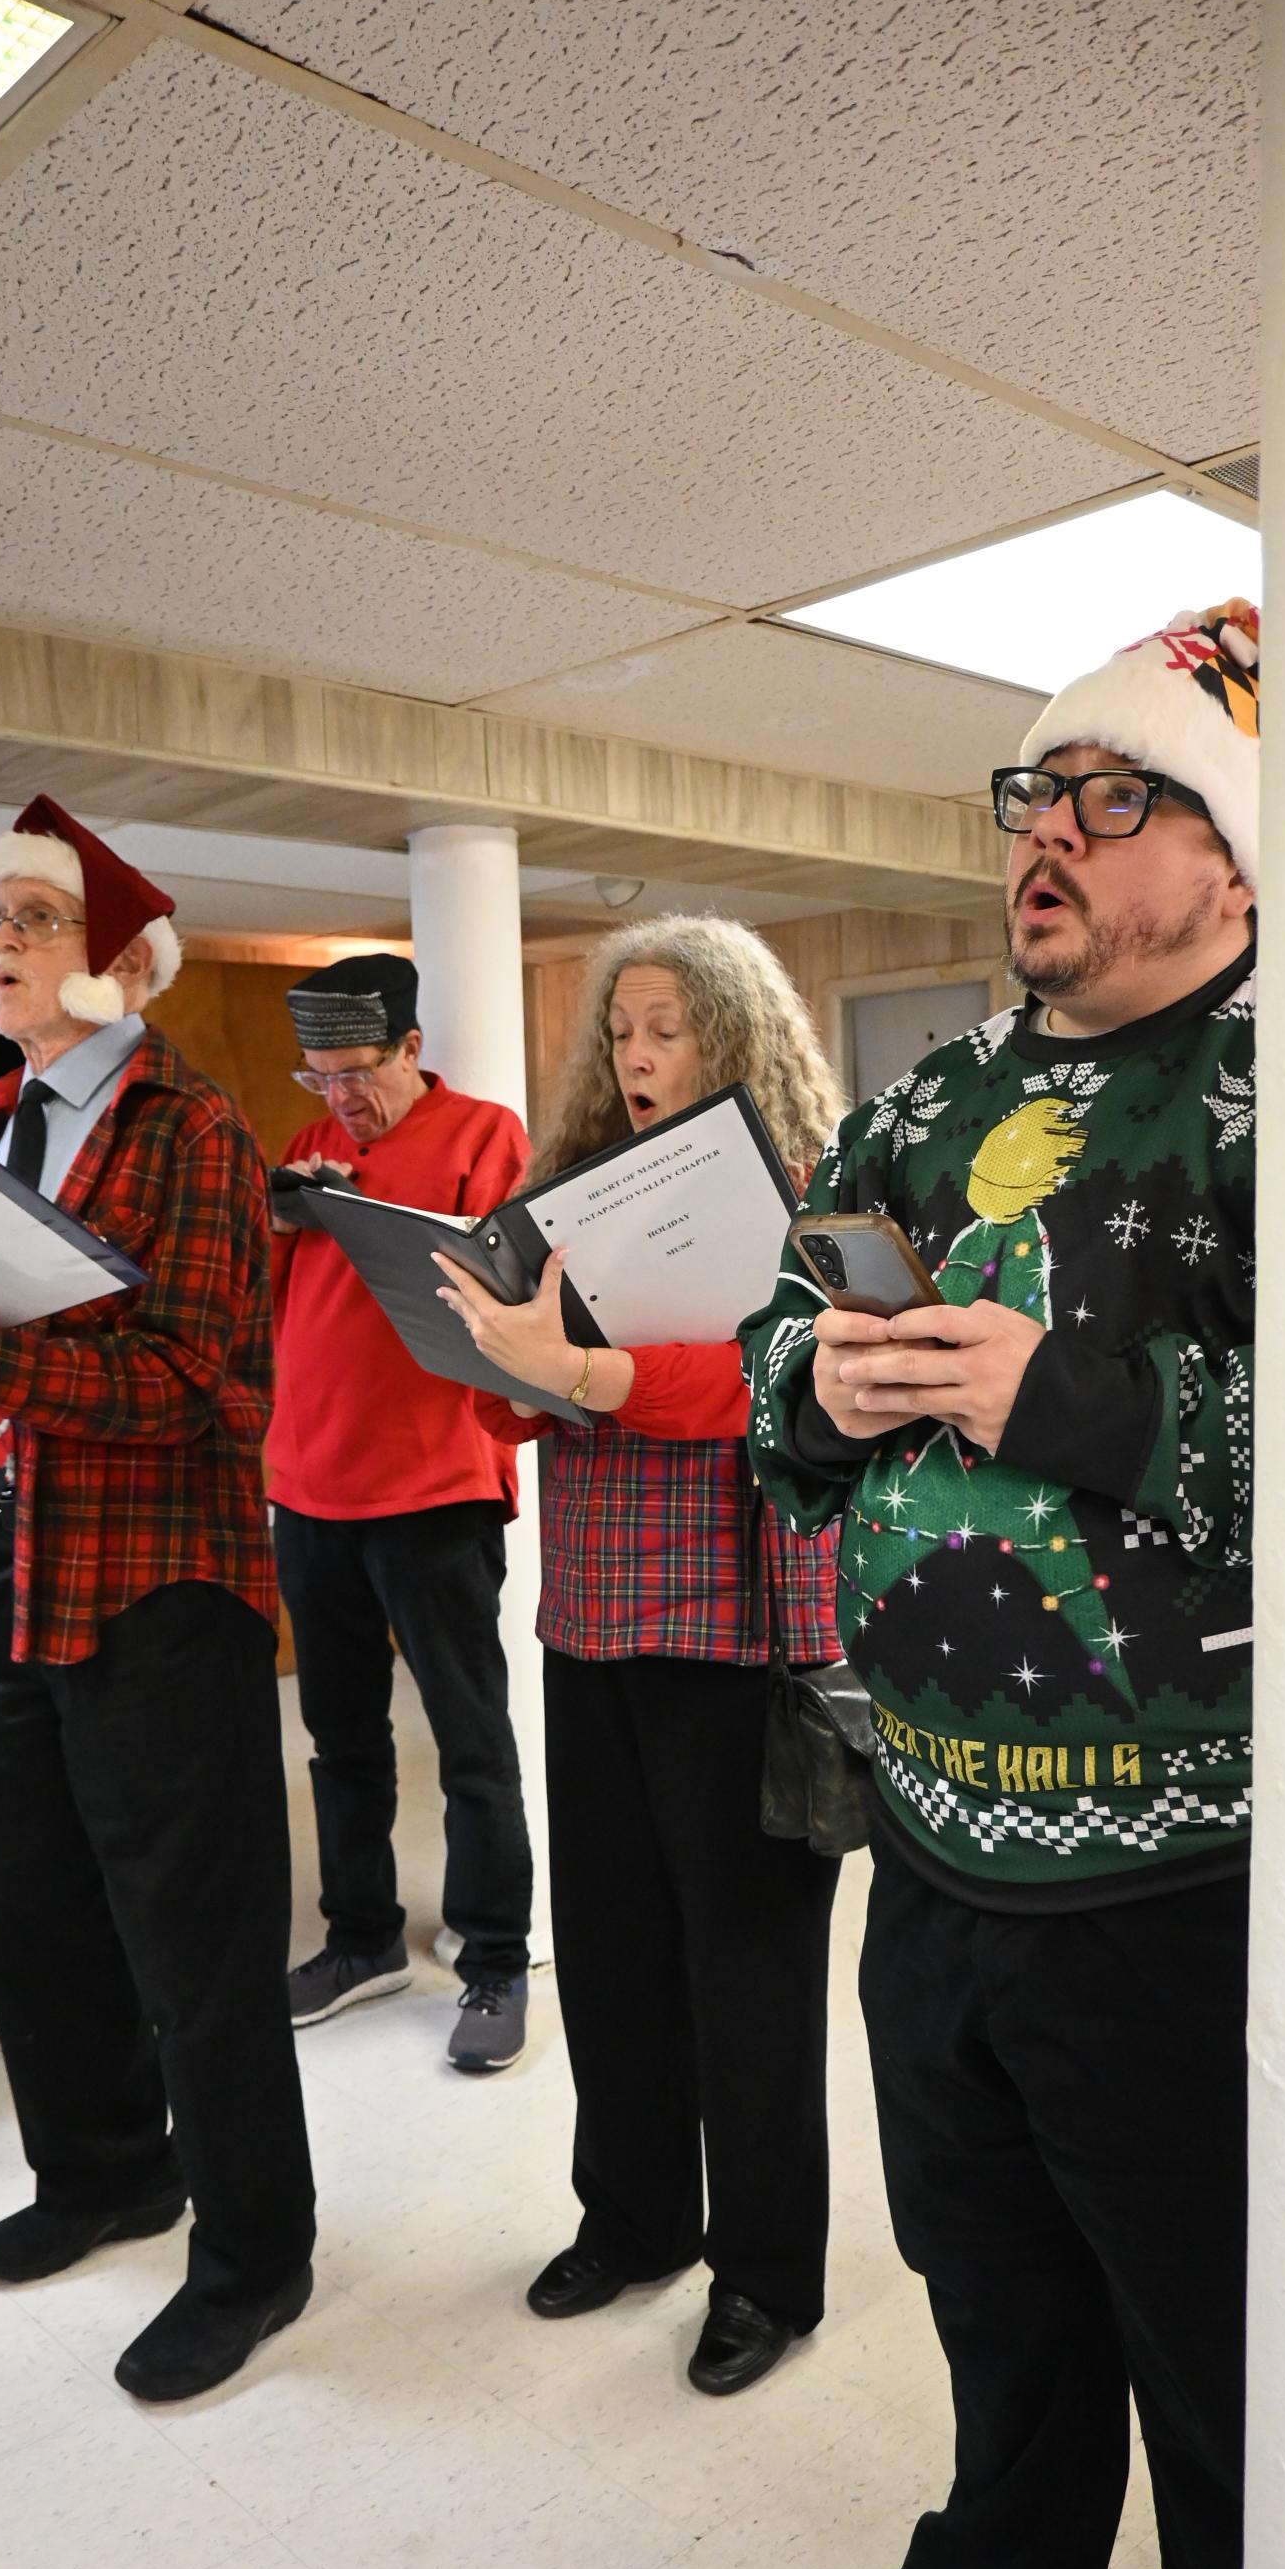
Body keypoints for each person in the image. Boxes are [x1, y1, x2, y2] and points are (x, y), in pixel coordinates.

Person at [743, 605, 1260, 2569]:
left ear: (1229, 855)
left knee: (1223, 2360)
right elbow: (771, 1343)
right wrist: (824, 1386)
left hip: (1177, 1877)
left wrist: (1065, 1394)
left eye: (1110, 797)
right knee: (989, 2274)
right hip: (935, 1826)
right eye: (1032, 796)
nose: (1047, 833)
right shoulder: (922, 1100)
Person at [0, 794, 316, 2404]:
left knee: (198, 1937)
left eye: (33, 924)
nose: (1, 950)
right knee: (32, 1907)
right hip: (8, 1555)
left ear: (123, 964)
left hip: (158, 1579)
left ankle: (255, 2256)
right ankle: (107, 2173)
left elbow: (199, 1387)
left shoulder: (194, 1132)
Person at [440, 914, 848, 2395]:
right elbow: (513, 1410)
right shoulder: (564, 1196)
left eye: (666, 1028)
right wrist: (508, 1370)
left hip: (737, 1634)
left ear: (732, 1037)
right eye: (620, 1031)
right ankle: (633, 2222)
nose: (636, 1053)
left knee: (747, 1971)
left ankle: (768, 2276)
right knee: (611, 1951)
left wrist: (584, 1371)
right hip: (593, 1618)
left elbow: (773, 1382)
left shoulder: (808, 1197)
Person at [268, 953, 536, 2074]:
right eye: (319, 1076)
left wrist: (372, 1209)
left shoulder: (484, 1134)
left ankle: (497, 1957)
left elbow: (512, 1287)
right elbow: (269, 1296)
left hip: (434, 1483)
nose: (340, 1097)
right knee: (339, 1738)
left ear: (411, 1049)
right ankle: (363, 1939)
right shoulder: (307, 1147)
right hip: (307, 1484)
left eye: (358, 1072)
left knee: (470, 1739)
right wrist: (284, 1211)